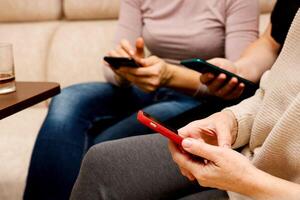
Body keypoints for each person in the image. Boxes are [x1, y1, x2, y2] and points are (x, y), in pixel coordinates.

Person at [23, 1, 258, 199]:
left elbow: (236, 85)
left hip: (195, 96)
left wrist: (169, 75)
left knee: (103, 143)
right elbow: (114, 63)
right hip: (142, 85)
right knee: (67, 99)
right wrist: (123, 69)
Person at [70, 1, 300, 200]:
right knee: (74, 114)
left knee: (108, 145)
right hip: (251, 140)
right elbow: (272, 67)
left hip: (267, 174)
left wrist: (245, 180)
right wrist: (232, 118)